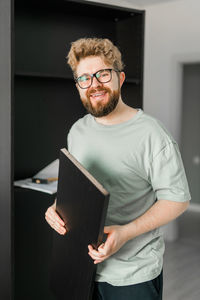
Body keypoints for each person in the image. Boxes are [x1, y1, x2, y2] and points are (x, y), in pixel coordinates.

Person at [45, 38, 191, 300]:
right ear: (78, 85)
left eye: (102, 74)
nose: (94, 85)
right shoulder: (78, 131)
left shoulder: (153, 135)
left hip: (133, 273)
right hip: (81, 266)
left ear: (120, 78)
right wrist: (57, 207)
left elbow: (177, 199)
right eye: (84, 78)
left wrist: (126, 232)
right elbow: (79, 188)